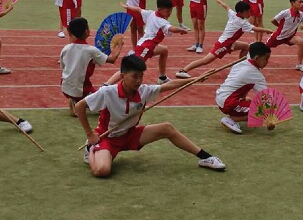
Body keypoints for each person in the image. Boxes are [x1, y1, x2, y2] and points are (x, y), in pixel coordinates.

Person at [76, 54, 226, 176]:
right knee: (102, 171)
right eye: (135, 76)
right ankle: (91, 149)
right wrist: (90, 135)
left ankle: (206, 158)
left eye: (141, 76)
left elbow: (168, 85)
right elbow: (79, 106)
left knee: (166, 128)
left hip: (130, 134)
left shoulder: (143, 90)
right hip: (107, 138)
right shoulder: (107, 92)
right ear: (122, 76)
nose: (139, 81)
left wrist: (195, 79)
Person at [176, 0, 273, 78]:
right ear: (241, 12)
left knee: (246, 46)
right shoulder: (242, 22)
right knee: (206, 60)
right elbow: (256, 28)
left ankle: (239, 68)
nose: (249, 13)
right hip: (223, 44)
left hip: (229, 43)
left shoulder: (233, 14)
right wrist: (267, 30)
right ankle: (183, 70)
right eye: (247, 11)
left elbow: (226, 7)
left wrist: (219, 1)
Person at [105, 0, 187, 85]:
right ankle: (108, 84)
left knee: (164, 50)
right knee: (132, 68)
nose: (170, 13)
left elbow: (139, 9)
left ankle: (162, 77)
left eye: (171, 10)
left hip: (149, 46)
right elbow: (171, 28)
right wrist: (181, 30)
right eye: (167, 11)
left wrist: (128, 7)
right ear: (160, 9)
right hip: (145, 47)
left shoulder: (151, 13)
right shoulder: (161, 21)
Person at [60, 17, 122, 116]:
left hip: (65, 86)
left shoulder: (66, 48)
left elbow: (63, 67)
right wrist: (119, 46)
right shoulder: (91, 50)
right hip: (82, 89)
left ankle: (73, 99)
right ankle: (77, 103)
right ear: (86, 32)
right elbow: (112, 59)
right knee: (106, 107)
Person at [215, 41, 271, 134]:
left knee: (248, 100)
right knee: (261, 111)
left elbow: (251, 48)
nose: (267, 62)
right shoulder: (256, 75)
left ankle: (236, 112)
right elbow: (265, 97)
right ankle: (231, 119)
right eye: (266, 59)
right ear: (257, 58)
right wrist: (267, 117)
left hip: (220, 97)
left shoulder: (241, 63)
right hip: (228, 103)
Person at [265, 0, 303, 72]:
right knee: (264, 50)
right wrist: (280, 27)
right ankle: (251, 55)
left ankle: (299, 64)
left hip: (290, 37)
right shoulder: (285, 13)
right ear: (292, 3)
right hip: (279, 36)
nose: (302, 4)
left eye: (302, 2)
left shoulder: (301, 15)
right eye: (299, 2)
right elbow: (273, 20)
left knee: (301, 42)